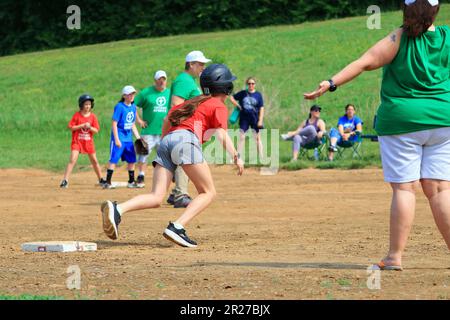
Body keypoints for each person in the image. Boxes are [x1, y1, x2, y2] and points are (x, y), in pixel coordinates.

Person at [304, 0, 450, 270]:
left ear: (405, 9)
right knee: (441, 189)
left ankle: (395, 256)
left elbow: (364, 63)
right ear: (436, 10)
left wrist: (330, 83)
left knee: (405, 188)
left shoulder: (398, 37)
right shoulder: (447, 37)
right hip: (444, 120)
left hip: (401, 121)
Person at [100, 64, 244, 248]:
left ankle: (118, 209)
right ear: (226, 87)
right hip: (185, 141)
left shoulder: (193, 102)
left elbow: (167, 120)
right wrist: (236, 156)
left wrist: (167, 141)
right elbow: (221, 133)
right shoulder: (218, 105)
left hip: (167, 141)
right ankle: (177, 227)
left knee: (156, 196)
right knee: (208, 192)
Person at [167, 50, 212, 208]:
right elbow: (176, 104)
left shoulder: (189, 80)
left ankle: (175, 193)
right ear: (191, 64)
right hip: (184, 127)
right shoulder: (184, 80)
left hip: (187, 126)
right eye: (200, 64)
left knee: (185, 157)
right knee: (186, 157)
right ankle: (180, 194)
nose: (203, 67)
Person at [60, 94, 106, 188]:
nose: (88, 106)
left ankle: (101, 179)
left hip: (88, 142)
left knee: (94, 161)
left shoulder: (93, 117)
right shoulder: (77, 115)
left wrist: (90, 127)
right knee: (72, 159)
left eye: (89, 104)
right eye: (86, 104)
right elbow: (71, 127)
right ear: (81, 105)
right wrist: (81, 125)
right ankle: (65, 180)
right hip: (77, 141)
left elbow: (96, 130)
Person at [134, 70, 171, 188]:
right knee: (143, 154)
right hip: (149, 131)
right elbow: (132, 105)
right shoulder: (146, 93)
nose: (162, 81)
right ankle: (141, 175)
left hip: (164, 131)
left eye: (164, 79)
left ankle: (168, 176)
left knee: (166, 156)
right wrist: (139, 120)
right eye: (159, 79)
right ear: (155, 80)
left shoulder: (170, 93)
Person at [103, 85, 142, 189]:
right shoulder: (120, 106)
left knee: (132, 160)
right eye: (129, 94)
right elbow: (114, 123)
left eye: (133, 94)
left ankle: (131, 181)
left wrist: (138, 138)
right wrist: (116, 139)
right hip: (119, 137)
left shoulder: (133, 107)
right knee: (114, 159)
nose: (132, 96)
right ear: (124, 95)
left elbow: (132, 124)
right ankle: (107, 182)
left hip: (128, 138)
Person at [230, 77, 265, 159]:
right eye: (249, 83)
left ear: (255, 84)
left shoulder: (258, 95)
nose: (251, 85)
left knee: (257, 138)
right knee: (241, 137)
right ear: (247, 84)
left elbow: (262, 108)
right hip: (244, 118)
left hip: (255, 118)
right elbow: (231, 97)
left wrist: (260, 120)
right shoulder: (243, 93)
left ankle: (261, 157)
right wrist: (238, 105)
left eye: (252, 83)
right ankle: (237, 157)